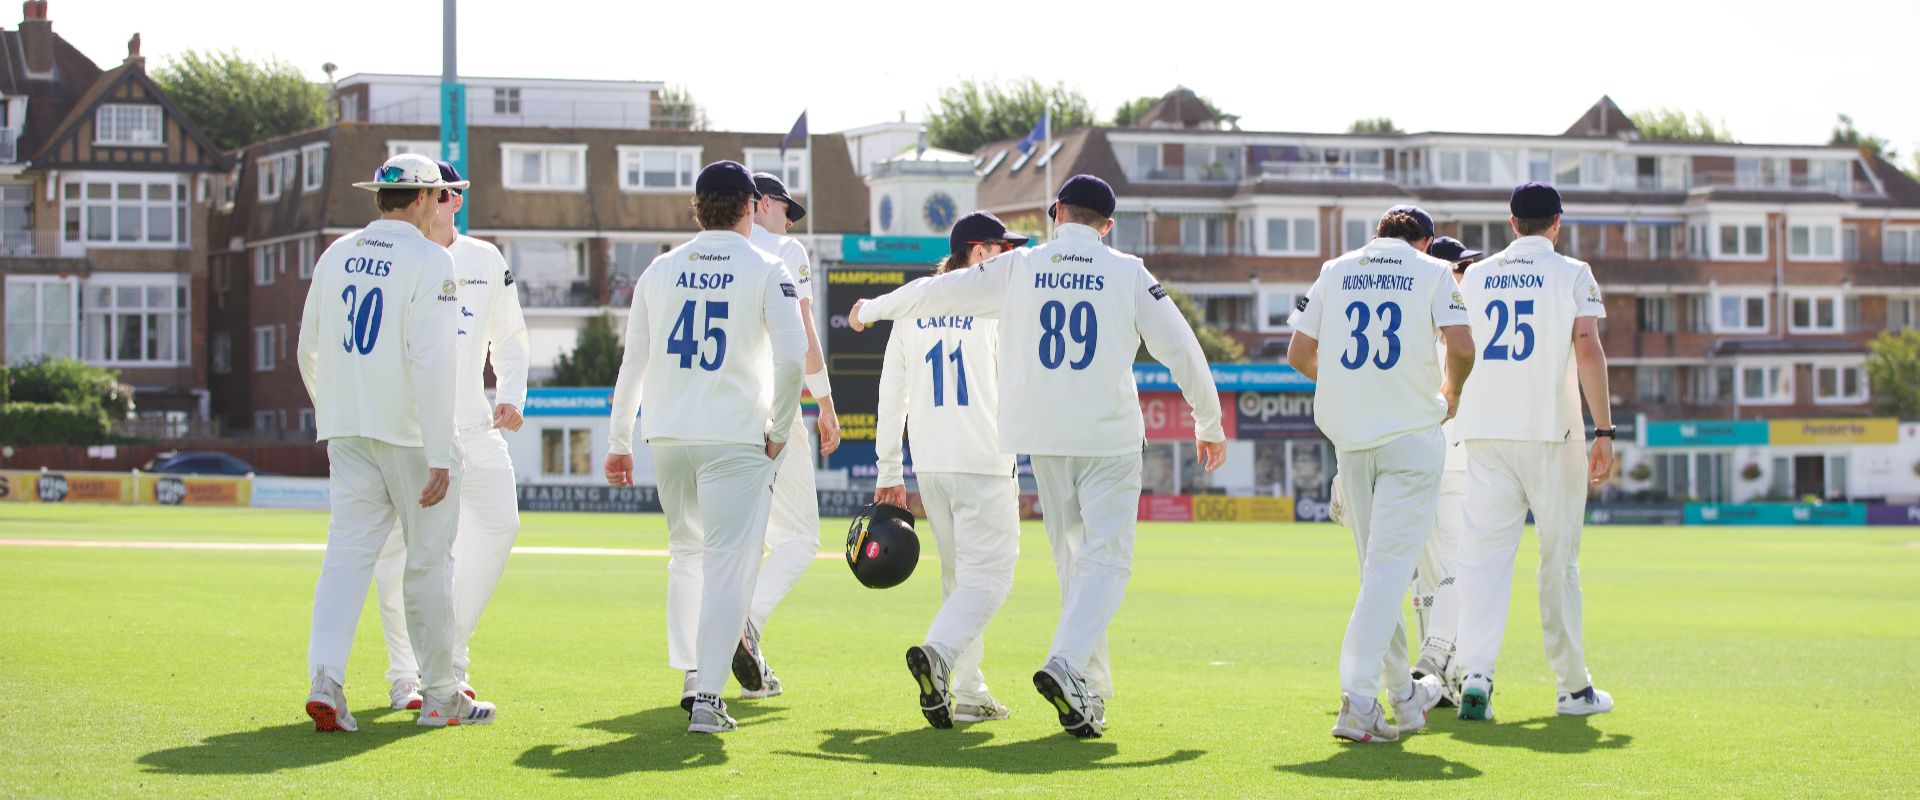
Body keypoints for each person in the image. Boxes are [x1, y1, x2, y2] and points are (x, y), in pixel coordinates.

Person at [850, 175, 1225, 739]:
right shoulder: (1127, 271)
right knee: (1106, 562)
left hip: (1045, 441)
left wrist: (871, 309)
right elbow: (1182, 347)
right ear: (1107, 225)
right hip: (1108, 437)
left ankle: (1089, 693)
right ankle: (1070, 666)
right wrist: (1209, 421)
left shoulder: (1019, 268)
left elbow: (935, 293)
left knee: (1075, 566)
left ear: (1056, 214)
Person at [603, 160, 806, 734]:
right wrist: (781, 429)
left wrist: (620, 440)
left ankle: (695, 673)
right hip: (733, 436)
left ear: (698, 207)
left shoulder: (658, 270)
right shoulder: (767, 268)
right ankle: (710, 697)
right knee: (728, 565)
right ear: (749, 205)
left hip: (668, 436)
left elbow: (632, 364)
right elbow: (791, 360)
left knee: (687, 555)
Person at [296, 153, 496, 730]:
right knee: (429, 564)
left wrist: (331, 409)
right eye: (440, 196)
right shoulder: (430, 259)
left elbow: (307, 349)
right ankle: (440, 696)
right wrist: (440, 452)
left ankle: (326, 681)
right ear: (425, 199)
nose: (443, 205)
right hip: (410, 436)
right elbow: (433, 361)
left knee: (345, 559)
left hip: (347, 429)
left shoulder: (336, 254)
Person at [1287, 204, 1474, 743]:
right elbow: (1462, 346)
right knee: (1389, 572)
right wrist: (1452, 392)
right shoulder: (1434, 271)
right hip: (1411, 437)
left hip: (1352, 440)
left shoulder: (1335, 269)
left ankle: (1404, 698)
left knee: (1379, 575)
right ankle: (1358, 701)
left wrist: (1350, 385)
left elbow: (1300, 352)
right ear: (1425, 240)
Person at [370, 161, 531, 711]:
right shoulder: (395, 256)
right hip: (405, 434)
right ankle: (404, 677)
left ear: (451, 199)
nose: (424, 202)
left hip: (474, 428)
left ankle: (449, 656)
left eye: (435, 193)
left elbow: (509, 336)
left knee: (500, 525)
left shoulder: (485, 258)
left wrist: (511, 392)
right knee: (398, 556)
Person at [1453, 182, 1615, 721]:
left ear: (1512, 221)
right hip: (1552, 431)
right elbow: (1587, 346)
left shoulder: (1474, 275)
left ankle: (1476, 674)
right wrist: (1606, 431)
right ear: (1557, 223)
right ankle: (1572, 689)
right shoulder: (1573, 272)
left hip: (1486, 431)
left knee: (1482, 559)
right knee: (1558, 562)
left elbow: (1456, 346)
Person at [873, 211, 1028, 728]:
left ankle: (968, 690)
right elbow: (1016, 382)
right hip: (984, 458)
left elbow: (891, 394)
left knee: (960, 578)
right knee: (994, 576)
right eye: (1002, 249)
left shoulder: (914, 305)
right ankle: (939, 655)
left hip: (932, 464)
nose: (1009, 258)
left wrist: (889, 470)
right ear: (978, 252)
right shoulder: (995, 308)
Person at [728, 172, 841, 700]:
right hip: (771, 408)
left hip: (713, 412)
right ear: (761, 203)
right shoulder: (785, 251)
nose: (789, 220)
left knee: (727, 545)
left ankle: (701, 669)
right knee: (799, 541)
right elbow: (805, 339)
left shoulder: (707, 253)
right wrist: (827, 404)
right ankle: (745, 626)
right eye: (785, 209)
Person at [1409, 235, 1482, 704]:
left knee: (1434, 577)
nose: (1466, 275)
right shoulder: (1457, 328)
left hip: (1421, 464)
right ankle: (1437, 666)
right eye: (1460, 268)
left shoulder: (1419, 328)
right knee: (1447, 573)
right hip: (1446, 465)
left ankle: (1437, 680)